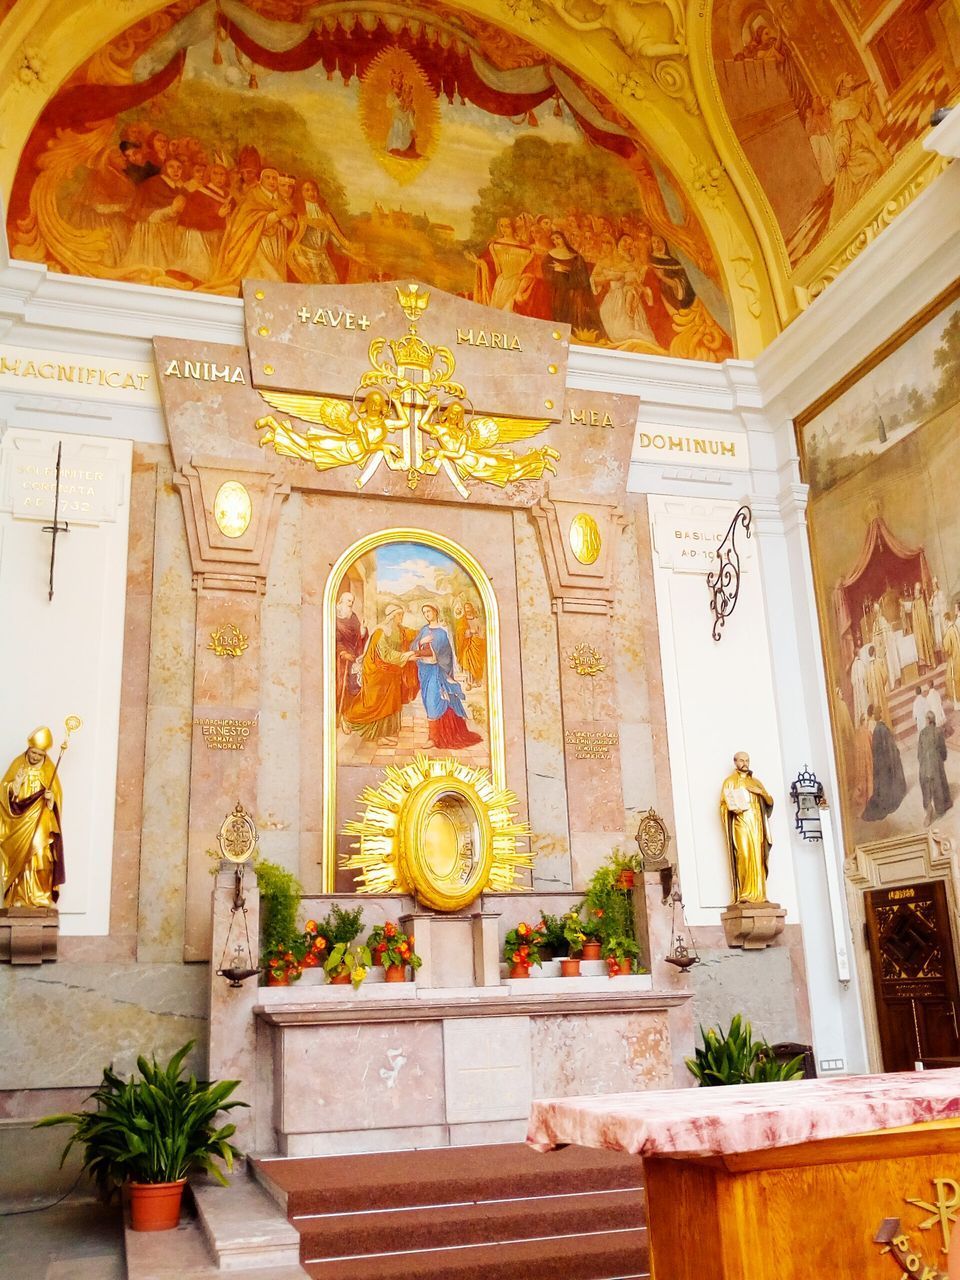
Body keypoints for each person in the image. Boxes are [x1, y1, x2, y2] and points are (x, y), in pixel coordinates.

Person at [0, 728, 64, 909]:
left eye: (39, 753)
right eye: (33, 752)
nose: (35, 757)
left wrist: (52, 799)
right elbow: (4, 792)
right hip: (20, 820)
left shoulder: (50, 769)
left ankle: (42, 896)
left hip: (42, 818)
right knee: (22, 858)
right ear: (28, 749)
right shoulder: (18, 764)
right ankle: (19, 897)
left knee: (42, 856)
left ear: (45, 753)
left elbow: (57, 796)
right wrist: (16, 785)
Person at [341, 604, 418, 745]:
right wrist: (406, 656)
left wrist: (424, 632)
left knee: (390, 703)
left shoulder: (399, 630)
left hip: (391, 672)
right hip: (377, 673)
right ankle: (348, 719)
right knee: (373, 703)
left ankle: (384, 735)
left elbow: (411, 633)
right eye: (399, 615)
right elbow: (385, 654)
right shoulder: (381, 632)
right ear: (392, 616)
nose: (401, 617)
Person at [411, 604, 483, 749]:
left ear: (435, 612)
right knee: (428, 701)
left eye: (429, 611)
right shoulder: (424, 630)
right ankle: (436, 736)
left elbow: (442, 654)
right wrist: (420, 643)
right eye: (424, 612)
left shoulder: (442, 632)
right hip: (425, 671)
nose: (427, 615)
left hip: (438, 672)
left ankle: (434, 738)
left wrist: (419, 653)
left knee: (434, 702)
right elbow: (413, 646)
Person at [719, 751, 774, 904]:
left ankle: (760, 895)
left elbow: (769, 802)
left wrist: (761, 793)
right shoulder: (730, 782)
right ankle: (744, 892)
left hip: (756, 824)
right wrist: (731, 808)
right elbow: (723, 804)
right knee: (743, 854)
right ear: (735, 762)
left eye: (747, 760)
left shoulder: (756, 782)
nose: (745, 763)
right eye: (741, 760)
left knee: (757, 857)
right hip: (740, 823)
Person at [862, 705, 907, 821]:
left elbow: (876, 749)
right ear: (881, 715)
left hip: (880, 762)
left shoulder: (877, 729)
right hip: (886, 760)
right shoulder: (883, 729)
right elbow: (890, 747)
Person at [335, 591, 367, 723]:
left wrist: (363, 630)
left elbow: (359, 637)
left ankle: (350, 716)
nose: (350, 604)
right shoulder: (334, 619)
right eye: (348, 601)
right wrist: (343, 653)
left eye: (352, 602)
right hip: (341, 658)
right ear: (341, 602)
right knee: (342, 684)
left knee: (356, 683)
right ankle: (341, 715)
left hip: (354, 655)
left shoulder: (353, 616)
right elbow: (335, 640)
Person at [918, 710, 951, 825]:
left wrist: (923, 764)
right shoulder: (938, 731)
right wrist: (942, 758)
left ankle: (928, 811)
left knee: (926, 787)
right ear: (934, 720)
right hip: (935, 764)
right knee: (938, 782)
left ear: (927, 721)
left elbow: (919, 754)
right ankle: (941, 807)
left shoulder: (922, 733)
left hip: (923, 767)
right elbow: (943, 750)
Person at [453, 599, 486, 690]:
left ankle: (477, 680)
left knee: (477, 663)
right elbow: (460, 632)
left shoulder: (477, 620)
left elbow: (482, 632)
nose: (467, 609)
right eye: (465, 608)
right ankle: (469, 682)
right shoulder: (462, 621)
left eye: (469, 607)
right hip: (467, 645)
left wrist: (478, 635)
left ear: (472, 608)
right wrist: (468, 632)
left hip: (477, 643)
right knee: (467, 660)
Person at [945, 610, 960, 708]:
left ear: (946, 620)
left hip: (954, 658)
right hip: (959, 654)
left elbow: (947, 648)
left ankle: (957, 704)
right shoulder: (955, 627)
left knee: (952, 680)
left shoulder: (949, 631)